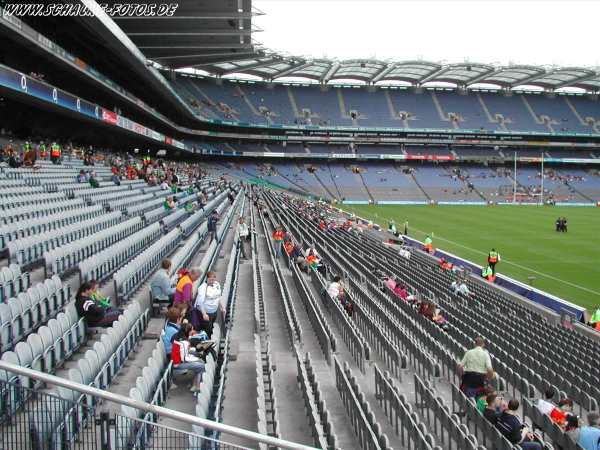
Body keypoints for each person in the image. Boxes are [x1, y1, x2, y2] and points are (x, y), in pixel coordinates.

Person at [170, 322, 205, 393]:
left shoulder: (177, 337)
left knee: (200, 361)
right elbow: (185, 358)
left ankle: (195, 384)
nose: (192, 332)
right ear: (187, 331)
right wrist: (195, 359)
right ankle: (196, 386)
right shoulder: (184, 342)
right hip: (178, 364)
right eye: (191, 330)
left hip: (177, 361)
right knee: (201, 366)